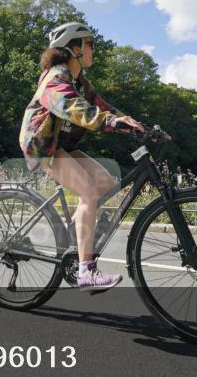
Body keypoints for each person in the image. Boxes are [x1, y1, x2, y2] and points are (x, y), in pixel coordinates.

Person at [19, 22, 145, 292]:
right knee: (88, 192)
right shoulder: (55, 77)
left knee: (106, 184)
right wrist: (111, 122)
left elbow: (101, 107)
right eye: (90, 44)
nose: (93, 50)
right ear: (74, 49)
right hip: (42, 145)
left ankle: (73, 239)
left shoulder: (80, 81)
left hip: (62, 144)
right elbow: (71, 107)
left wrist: (133, 124)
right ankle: (87, 272)